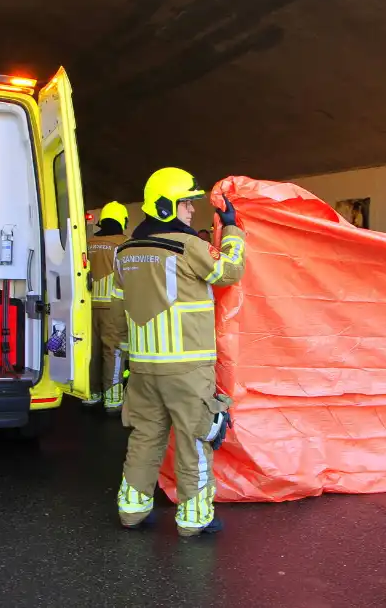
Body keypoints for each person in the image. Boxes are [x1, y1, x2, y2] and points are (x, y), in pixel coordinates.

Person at [111, 167, 246, 536]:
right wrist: (232, 230)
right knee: (194, 440)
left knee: (144, 438)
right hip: (186, 367)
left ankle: (132, 510)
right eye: (186, 202)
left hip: (143, 368)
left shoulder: (124, 253)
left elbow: (119, 309)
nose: (191, 209)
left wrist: (124, 359)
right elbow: (231, 271)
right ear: (167, 206)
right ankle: (194, 518)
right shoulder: (189, 247)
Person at [84, 201, 131, 412]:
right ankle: (112, 399)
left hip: (86, 306)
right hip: (114, 306)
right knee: (113, 351)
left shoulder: (87, 242)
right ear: (122, 220)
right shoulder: (124, 243)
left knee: (90, 351)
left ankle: (91, 393)